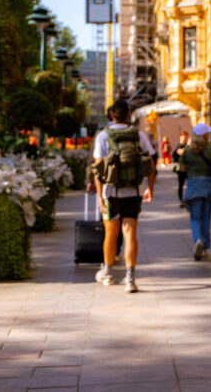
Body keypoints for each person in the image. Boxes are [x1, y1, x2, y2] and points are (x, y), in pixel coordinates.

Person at [92, 99, 156, 293]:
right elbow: (151, 164)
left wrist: (100, 198)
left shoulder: (103, 136)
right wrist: (149, 188)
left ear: (112, 114)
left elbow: (98, 169)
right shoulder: (138, 135)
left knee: (111, 233)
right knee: (130, 233)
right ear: (128, 114)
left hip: (111, 192)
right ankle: (130, 278)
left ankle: (108, 273)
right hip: (134, 192)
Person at [179, 123, 211, 260]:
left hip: (194, 184)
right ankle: (204, 247)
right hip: (209, 184)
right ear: (205, 135)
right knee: (206, 217)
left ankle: (197, 239)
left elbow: (182, 169)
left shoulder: (188, 151)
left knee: (195, 217)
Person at [173, 130, 190, 208]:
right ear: (180, 137)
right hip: (179, 167)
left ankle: (188, 199)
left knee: (189, 184)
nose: (185, 138)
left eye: (186, 137)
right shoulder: (178, 145)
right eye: (183, 137)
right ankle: (181, 200)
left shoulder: (188, 145)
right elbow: (175, 154)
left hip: (188, 167)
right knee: (181, 184)